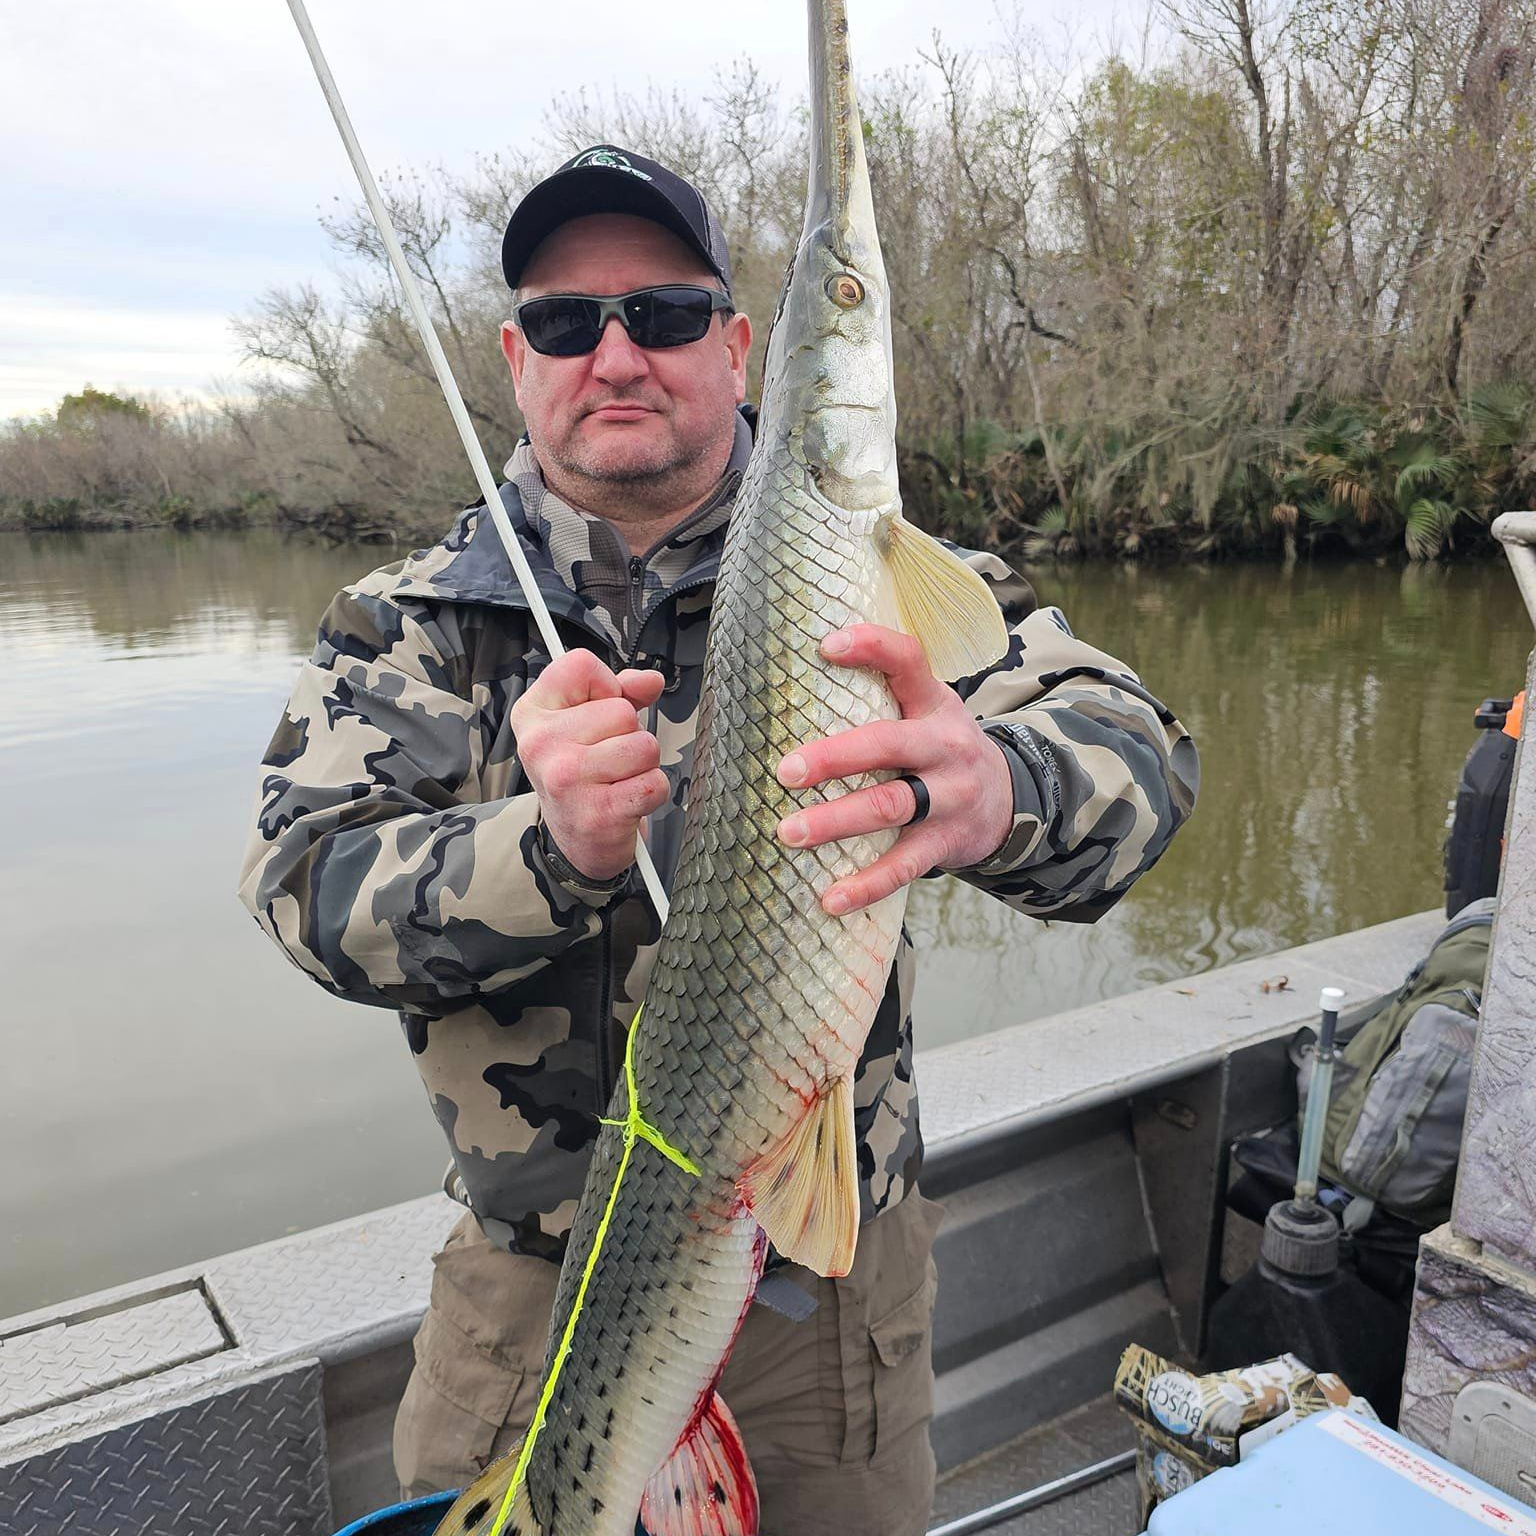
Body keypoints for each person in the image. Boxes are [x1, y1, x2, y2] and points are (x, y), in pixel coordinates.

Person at [237, 144, 1199, 1535]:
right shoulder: (409, 625)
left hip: (831, 1297)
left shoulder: (884, 578)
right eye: (569, 322)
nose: (615, 352)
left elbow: (1145, 757)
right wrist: (548, 845)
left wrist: (1002, 788)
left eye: (667, 314)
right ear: (517, 359)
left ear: (743, 346)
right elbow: (302, 887)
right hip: (533, 1305)